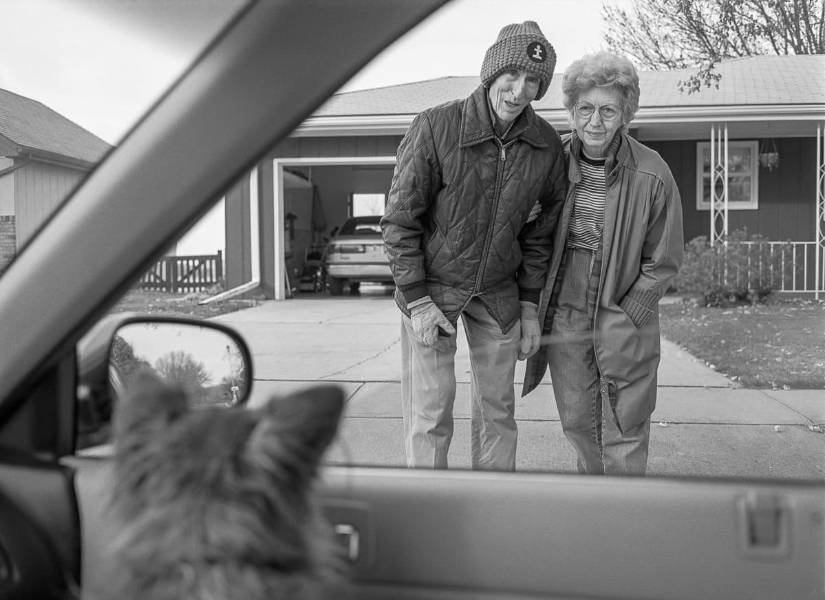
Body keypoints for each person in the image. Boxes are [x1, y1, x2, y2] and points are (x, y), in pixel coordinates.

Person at [381, 21, 566, 471]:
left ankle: (492, 507)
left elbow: (540, 237)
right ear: (492, 72)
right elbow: (400, 222)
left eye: (533, 82)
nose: (520, 91)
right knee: (431, 411)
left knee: (498, 410)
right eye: (513, 76)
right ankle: (428, 510)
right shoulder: (437, 126)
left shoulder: (545, 146)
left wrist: (528, 307)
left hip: (500, 290)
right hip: (434, 287)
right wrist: (418, 300)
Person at [522, 51, 684, 475]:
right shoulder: (549, 160)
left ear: (624, 113)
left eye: (608, 110)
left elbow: (664, 259)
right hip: (566, 303)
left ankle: (625, 516)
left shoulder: (652, 172)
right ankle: (596, 502)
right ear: (572, 111)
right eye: (586, 108)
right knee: (577, 418)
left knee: (625, 419)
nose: (595, 121)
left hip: (622, 301)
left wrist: (630, 311)